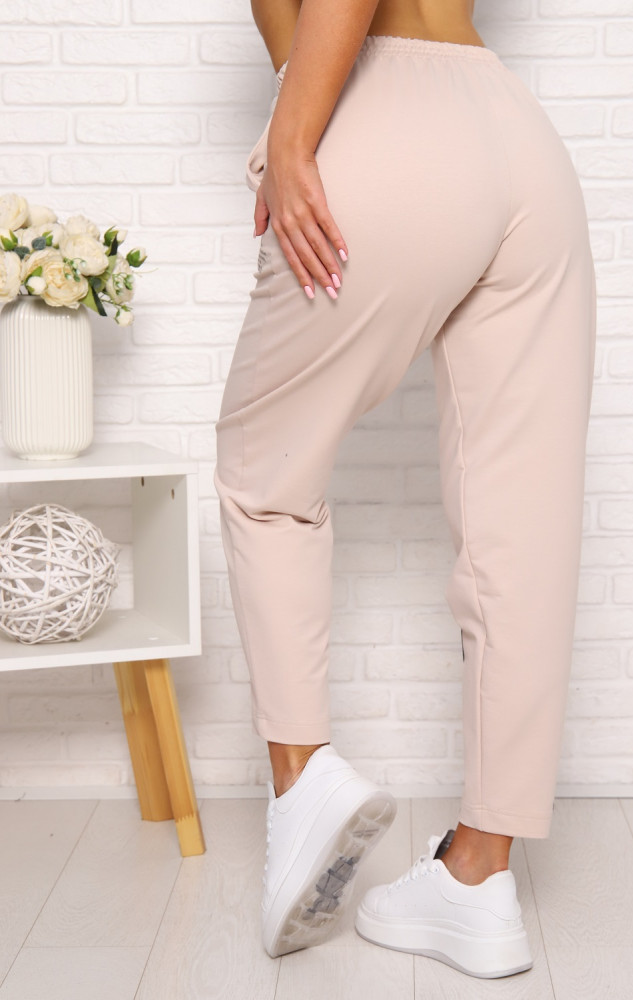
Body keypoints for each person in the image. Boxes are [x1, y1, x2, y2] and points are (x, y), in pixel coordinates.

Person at [214, 0, 596, 979]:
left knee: (265, 473)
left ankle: (303, 781)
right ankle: (477, 876)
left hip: (384, 115)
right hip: (516, 138)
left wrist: (292, 134)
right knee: (520, 526)